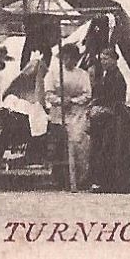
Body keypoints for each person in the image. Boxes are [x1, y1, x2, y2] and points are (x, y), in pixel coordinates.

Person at [87, 47, 130, 194]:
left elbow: (115, 99)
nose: (103, 62)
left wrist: (101, 108)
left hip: (117, 117)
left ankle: (114, 184)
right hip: (109, 116)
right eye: (102, 59)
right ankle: (106, 183)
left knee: (112, 149)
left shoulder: (117, 77)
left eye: (106, 59)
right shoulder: (108, 75)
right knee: (106, 149)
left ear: (114, 60)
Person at [46, 43, 91, 190]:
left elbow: (87, 94)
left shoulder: (82, 74)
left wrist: (72, 101)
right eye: (65, 58)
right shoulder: (53, 73)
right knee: (60, 147)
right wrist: (60, 101)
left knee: (78, 143)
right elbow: (49, 94)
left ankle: (79, 179)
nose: (68, 61)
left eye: (72, 58)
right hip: (59, 114)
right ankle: (60, 179)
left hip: (77, 113)